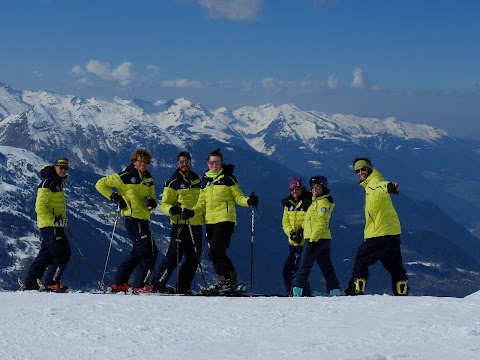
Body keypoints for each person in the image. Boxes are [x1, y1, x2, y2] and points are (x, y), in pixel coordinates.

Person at [180, 148, 258, 294]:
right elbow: (201, 203)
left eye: (216, 162)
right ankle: (230, 278)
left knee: (216, 251)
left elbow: (238, 197)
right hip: (210, 221)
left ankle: (225, 281)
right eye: (211, 162)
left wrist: (249, 201)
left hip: (225, 219)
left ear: (221, 163)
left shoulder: (229, 179)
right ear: (208, 163)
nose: (214, 165)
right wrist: (191, 211)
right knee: (214, 253)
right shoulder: (205, 180)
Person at [95, 148, 159, 294]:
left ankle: (119, 283)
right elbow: (100, 184)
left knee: (139, 253)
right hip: (132, 219)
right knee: (148, 253)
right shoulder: (125, 176)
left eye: (146, 162)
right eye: (140, 161)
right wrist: (115, 198)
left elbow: (153, 198)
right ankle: (140, 284)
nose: (143, 165)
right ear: (134, 162)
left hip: (143, 219)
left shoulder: (148, 177)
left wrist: (152, 204)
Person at [345, 157, 408, 296]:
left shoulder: (374, 182)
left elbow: (382, 186)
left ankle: (356, 289)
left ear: (369, 169)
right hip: (393, 232)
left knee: (361, 260)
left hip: (378, 233)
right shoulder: (369, 184)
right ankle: (401, 290)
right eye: (357, 170)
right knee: (394, 265)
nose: (360, 172)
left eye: (363, 169)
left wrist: (390, 187)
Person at [153, 151, 204, 294]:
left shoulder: (196, 181)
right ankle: (158, 284)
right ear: (178, 164)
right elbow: (164, 204)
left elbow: (202, 201)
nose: (184, 165)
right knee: (174, 257)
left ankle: (182, 288)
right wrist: (173, 210)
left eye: (187, 162)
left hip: (195, 224)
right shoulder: (172, 182)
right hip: (180, 225)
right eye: (182, 162)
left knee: (193, 260)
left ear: (190, 163)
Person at [22, 157, 71, 292]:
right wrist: (55, 221)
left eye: (66, 168)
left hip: (53, 225)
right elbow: (40, 207)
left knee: (46, 255)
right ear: (54, 167)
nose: (63, 170)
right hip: (51, 225)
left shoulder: (56, 182)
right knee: (63, 253)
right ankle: (51, 282)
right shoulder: (48, 183)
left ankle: (31, 283)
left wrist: (60, 220)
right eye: (61, 167)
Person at [291, 176, 341, 297]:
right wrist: (301, 230)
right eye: (313, 187)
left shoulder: (322, 203)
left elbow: (320, 222)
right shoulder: (316, 202)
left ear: (324, 188)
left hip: (315, 239)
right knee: (326, 266)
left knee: (304, 265)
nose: (314, 190)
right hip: (323, 239)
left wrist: (313, 240)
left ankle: (296, 290)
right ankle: (335, 290)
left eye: (318, 187)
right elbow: (310, 220)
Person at [281, 177, 312, 296]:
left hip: (305, 243)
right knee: (290, 271)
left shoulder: (308, 201)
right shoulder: (288, 203)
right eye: (292, 189)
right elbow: (285, 222)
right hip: (293, 244)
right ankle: (297, 292)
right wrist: (292, 233)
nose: (294, 191)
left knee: (298, 271)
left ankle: (297, 293)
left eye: (297, 188)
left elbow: (311, 218)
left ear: (301, 188)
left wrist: (301, 232)